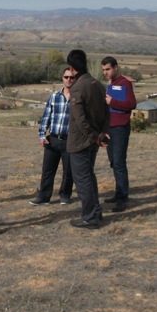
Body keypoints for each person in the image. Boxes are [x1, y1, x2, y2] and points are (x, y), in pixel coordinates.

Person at [65, 49, 110, 229]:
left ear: (72, 68)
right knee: (89, 177)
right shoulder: (98, 85)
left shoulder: (77, 88)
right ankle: (96, 211)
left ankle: (90, 217)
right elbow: (107, 112)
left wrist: (93, 137)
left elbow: (80, 119)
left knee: (83, 179)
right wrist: (102, 134)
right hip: (94, 140)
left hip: (81, 142)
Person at [31, 68, 75, 205]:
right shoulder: (54, 96)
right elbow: (46, 117)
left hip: (70, 140)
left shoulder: (78, 98)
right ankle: (44, 197)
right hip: (53, 138)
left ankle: (65, 195)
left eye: (71, 77)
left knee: (68, 171)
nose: (69, 80)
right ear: (62, 78)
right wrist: (42, 135)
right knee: (47, 170)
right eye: (66, 77)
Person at [101, 56, 137, 212]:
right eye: (103, 70)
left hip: (120, 128)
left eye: (108, 69)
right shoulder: (110, 85)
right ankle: (118, 193)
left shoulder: (125, 83)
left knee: (120, 163)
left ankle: (123, 199)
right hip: (109, 128)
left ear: (116, 67)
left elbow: (131, 104)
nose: (105, 73)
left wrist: (111, 102)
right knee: (113, 162)